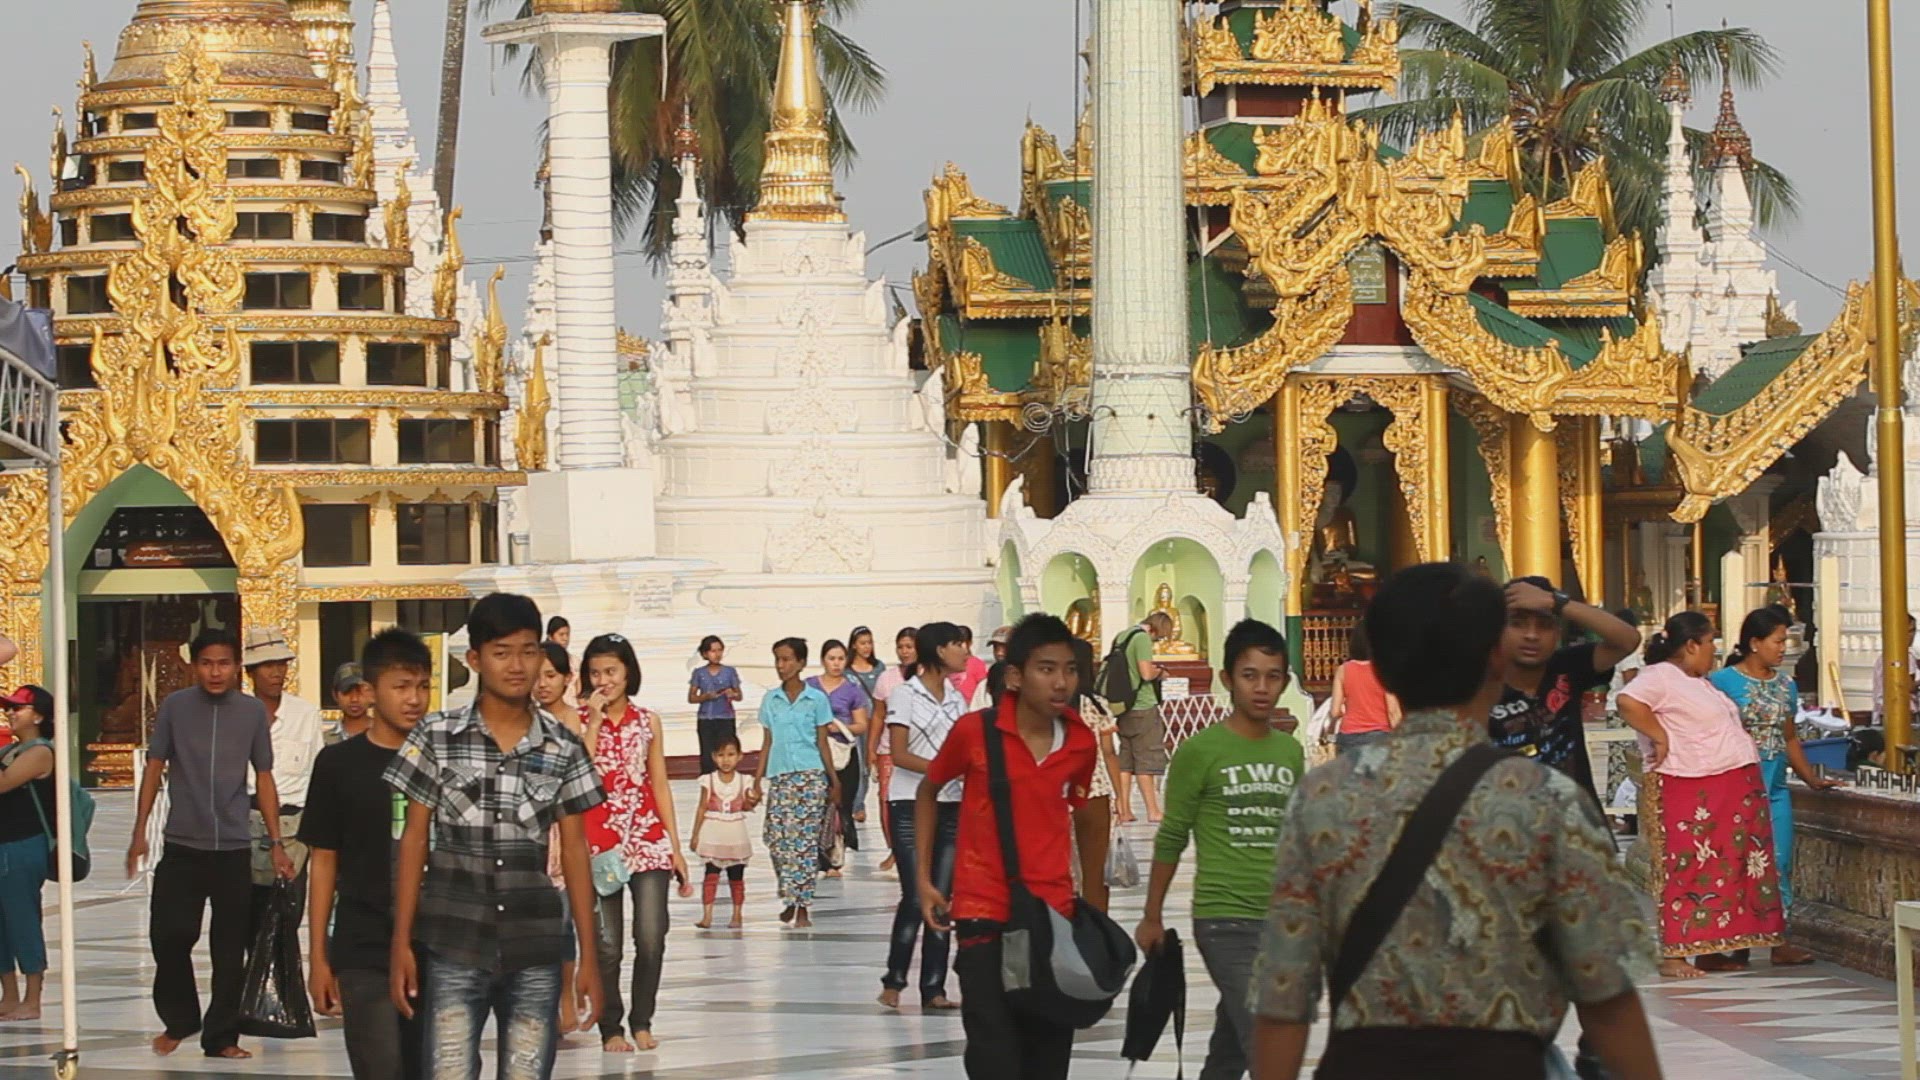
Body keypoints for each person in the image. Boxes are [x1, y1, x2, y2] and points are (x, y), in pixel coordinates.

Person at [1250, 563, 1663, 1080]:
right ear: (1496, 656)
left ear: (1380, 671)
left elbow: (1282, 996)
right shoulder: (1548, 801)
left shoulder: (1322, 798)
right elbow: (1608, 995)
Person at [384, 593, 606, 1079]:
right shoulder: (436, 735)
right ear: (475, 659)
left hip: (536, 947)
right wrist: (401, 942)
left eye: (527, 651)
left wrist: (589, 955)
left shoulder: (563, 746)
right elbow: (413, 840)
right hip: (452, 941)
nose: (516, 666)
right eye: (502, 653)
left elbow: (574, 850)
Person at [918, 614, 1103, 1079]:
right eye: (1046, 669)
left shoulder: (1080, 740)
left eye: (1070, 670)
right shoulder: (976, 732)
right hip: (984, 913)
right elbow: (928, 790)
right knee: (993, 1048)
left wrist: (1094, 903)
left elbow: (1088, 814)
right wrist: (924, 879)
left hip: (1051, 915)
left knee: (1047, 1051)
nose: (1061, 682)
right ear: (1016, 676)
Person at [1138, 620, 1303, 1080]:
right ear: (1228, 678)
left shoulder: (1290, 752)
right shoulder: (1199, 751)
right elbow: (1173, 835)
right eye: (1250, 675)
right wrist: (1151, 915)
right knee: (1267, 1039)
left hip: (1280, 920)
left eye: (1272, 676)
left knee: (1231, 1051)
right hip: (1225, 917)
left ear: (1285, 681)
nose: (1262, 687)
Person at [127, 627, 295, 1060]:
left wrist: (276, 842)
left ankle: (221, 1036)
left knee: (229, 948)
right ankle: (181, 1019)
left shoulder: (251, 712)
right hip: (183, 844)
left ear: (237, 667)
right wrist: (139, 830)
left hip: (233, 848)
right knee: (169, 935)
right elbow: (155, 767)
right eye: (206, 663)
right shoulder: (175, 707)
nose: (215, 672)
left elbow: (264, 777)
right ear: (193, 665)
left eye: (223, 663)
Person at [1617, 610, 1786, 981]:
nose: (1714, 650)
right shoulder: (1661, 676)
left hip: (1729, 782)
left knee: (1727, 865)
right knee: (1688, 865)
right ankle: (1674, 953)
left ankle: (1709, 947)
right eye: (1710, 642)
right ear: (1692, 645)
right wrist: (1660, 736)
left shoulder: (1698, 682)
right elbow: (1628, 702)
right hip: (1690, 783)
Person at [302, 628, 433, 1080]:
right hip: (363, 943)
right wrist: (318, 957)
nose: (414, 699)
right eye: (401, 686)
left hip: (437, 945)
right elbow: (323, 862)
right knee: (380, 1066)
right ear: (371, 691)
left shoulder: (443, 761)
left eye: (422, 686)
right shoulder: (338, 765)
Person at [1708, 606, 1838, 968]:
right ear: (1755, 643)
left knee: (1778, 862)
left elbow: (1789, 736)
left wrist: (1810, 777)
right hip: (1735, 787)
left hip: (1776, 788)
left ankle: (1779, 940)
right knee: (1736, 863)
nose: (1783, 649)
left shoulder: (1785, 685)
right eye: (1778, 641)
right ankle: (1738, 939)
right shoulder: (1722, 682)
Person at [578, 633, 687, 1053]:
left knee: (652, 934)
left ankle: (642, 1019)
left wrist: (675, 846)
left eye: (611, 671)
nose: (603, 680)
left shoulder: (648, 721)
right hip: (600, 842)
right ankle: (611, 1026)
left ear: (628, 673)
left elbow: (659, 782)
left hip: (647, 837)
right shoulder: (578, 720)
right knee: (607, 945)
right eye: (595, 673)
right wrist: (592, 721)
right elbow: (579, 774)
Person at [880, 621, 969, 1011]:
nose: (964, 651)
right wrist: (942, 770)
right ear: (939, 651)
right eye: (957, 644)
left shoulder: (957, 700)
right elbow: (899, 753)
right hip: (909, 802)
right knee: (917, 895)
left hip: (951, 802)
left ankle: (934, 987)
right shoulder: (905, 694)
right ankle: (894, 979)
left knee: (943, 895)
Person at [1488, 578, 1642, 801]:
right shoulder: (1480, 687)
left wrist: (1557, 602)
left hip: (1576, 815)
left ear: (1557, 633)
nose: (1531, 635)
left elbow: (1628, 640)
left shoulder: (1567, 667)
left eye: (1544, 625)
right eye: (1518, 623)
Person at [243, 625, 326, 939]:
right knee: (249, 921)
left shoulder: (305, 714)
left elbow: (317, 774)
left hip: (293, 828)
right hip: (244, 826)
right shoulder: (236, 713)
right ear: (251, 671)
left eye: (282, 664)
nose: (277, 673)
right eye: (268, 665)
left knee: (288, 917)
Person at [753, 637, 840, 929]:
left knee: (804, 844)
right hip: (780, 776)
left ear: (801, 663)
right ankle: (790, 896)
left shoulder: (816, 700)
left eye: (787, 659)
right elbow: (767, 742)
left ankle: (802, 905)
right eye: (778, 659)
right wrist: (756, 781)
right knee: (777, 841)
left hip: (810, 776)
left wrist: (834, 780)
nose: (781, 665)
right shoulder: (771, 700)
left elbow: (822, 742)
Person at [0, 685, 58, 1022]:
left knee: (22, 918)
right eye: (8, 708)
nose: (10, 713)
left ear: (38, 716)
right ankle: (9, 994)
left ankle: (32, 997)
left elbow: (3, 783)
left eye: (18, 708)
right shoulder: (11, 749)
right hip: (4, 843)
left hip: (23, 845)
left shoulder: (40, 752)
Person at [1067, 637, 1123, 910]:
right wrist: (1121, 798)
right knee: (1095, 871)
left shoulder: (1049, 705)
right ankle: (1098, 923)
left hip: (1060, 792)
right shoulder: (1097, 705)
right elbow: (1109, 752)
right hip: (1096, 790)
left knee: (1065, 870)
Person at [808, 639, 869, 874]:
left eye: (841, 659)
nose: (836, 663)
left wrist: (839, 727)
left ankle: (835, 855)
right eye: (831, 658)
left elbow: (861, 725)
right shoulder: (810, 686)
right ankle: (818, 855)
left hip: (843, 754)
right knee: (818, 805)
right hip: (814, 752)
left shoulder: (852, 690)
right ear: (823, 660)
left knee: (840, 804)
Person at [1114, 612, 1172, 824]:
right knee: (1146, 759)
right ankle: (1153, 810)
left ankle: (1124, 809)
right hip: (1142, 704)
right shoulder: (1142, 639)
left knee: (1125, 761)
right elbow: (1146, 673)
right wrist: (1160, 673)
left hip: (1123, 706)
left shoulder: (1123, 635)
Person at [689, 734, 753, 929]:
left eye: (731, 755)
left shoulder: (744, 781)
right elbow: (702, 807)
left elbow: (748, 805)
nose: (726, 760)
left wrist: (754, 798)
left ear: (739, 756)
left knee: (736, 876)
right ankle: (707, 915)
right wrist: (695, 834)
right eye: (721, 755)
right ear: (714, 757)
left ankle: (737, 915)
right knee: (711, 874)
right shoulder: (708, 780)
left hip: (735, 833)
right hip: (713, 832)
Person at [870, 627, 918, 874]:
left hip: (919, 750)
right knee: (887, 800)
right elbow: (878, 715)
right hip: (889, 749)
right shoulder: (886, 679)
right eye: (901, 647)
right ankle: (895, 848)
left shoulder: (927, 676)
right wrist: (871, 748)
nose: (904, 652)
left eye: (909, 646)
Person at [1328, 624, 1398, 755]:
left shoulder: (1343, 670)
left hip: (1348, 736)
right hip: (1379, 735)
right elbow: (1392, 711)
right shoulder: (1384, 670)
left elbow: (1334, 712)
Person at [688, 635, 742, 776]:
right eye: (713, 651)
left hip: (725, 717)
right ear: (705, 654)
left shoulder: (729, 672)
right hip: (706, 718)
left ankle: (727, 779)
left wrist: (732, 694)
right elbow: (691, 697)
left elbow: (739, 696)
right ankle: (708, 782)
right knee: (707, 753)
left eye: (720, 650)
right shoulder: (699, 673)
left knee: (727, 750)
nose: (717, 654)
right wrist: (706, 696)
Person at [847, 627, 885, 824]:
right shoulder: (847, 671)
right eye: (862, 643)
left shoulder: (879, 668)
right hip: (855, 724)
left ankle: (862, 802)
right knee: (859, 764)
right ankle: (857, 805)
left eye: (869, 642)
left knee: (871, 765)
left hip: (876, 723)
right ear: (854, 645)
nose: (866, 647)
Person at [1874, 614, 1919, 724]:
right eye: (1907, 631)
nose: (1911, 636)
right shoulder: (1905, 656)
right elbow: (1909, 687)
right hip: (1904, 711)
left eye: (1913, 631)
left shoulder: (1884, 656)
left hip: (1883, 711)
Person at [1605, 609, 1646, 717]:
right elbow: (1631, 684)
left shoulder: (1615, 651)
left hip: (1614, 705)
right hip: (1623, 709)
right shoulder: (1629, 655)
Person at [333, 663, 374, 742]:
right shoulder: (322, 741)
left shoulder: (388, 736)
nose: (354, 699)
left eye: (360, 692)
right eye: (347, 691)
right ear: (335, 695)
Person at [951, 626, 990, 703]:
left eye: (961, 643)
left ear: (970, 643)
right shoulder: (948, 663)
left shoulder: (977, 664)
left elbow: (983, 688)